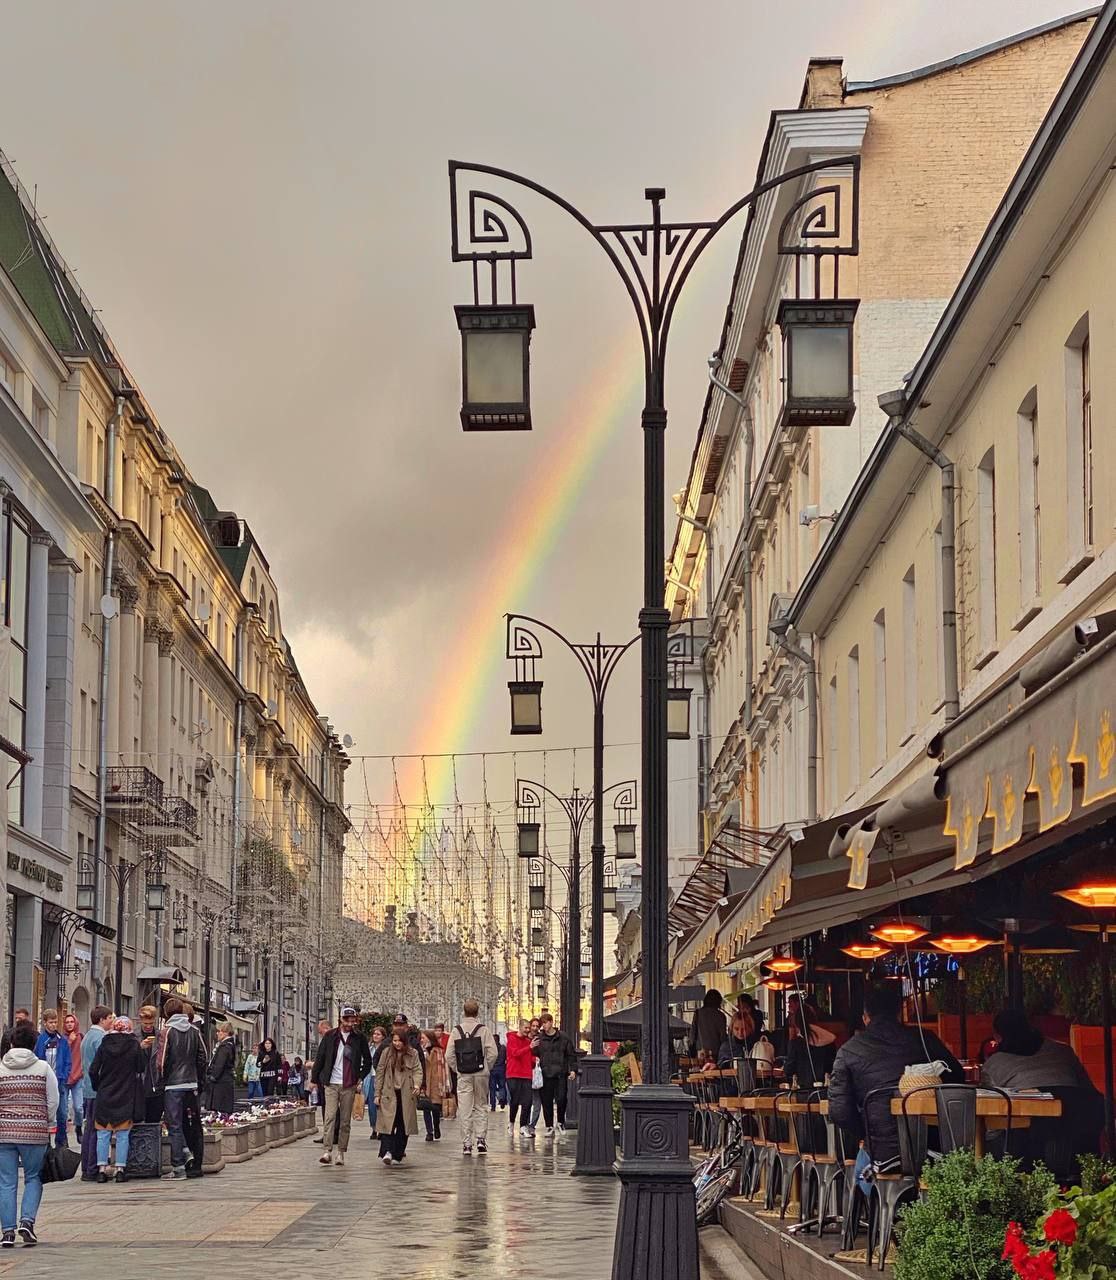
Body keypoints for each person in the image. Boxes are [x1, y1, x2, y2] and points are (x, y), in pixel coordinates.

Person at [829, 982, 962, 1168]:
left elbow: (839, 1112)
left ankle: (868, 1196)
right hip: (933, 1151)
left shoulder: (848, 1050)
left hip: (882, 1156)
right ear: (900, 1014)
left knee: (858, 1175)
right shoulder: (925, 1039)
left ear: (865, 1018)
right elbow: (957, 1080)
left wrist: (868, 1135)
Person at [0, 1021, 58, 1246]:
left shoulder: (1, 1068)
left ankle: (7, 1232)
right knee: (33, 1177)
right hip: (34, 1132)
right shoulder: (43, 1068)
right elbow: (52, 1100)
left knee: (6, 1182)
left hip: (4, 1133)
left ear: (12, 1043)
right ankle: (27, 1222)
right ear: (34, 1045)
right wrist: (48, 1121)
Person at [153, 996, 208, 1180]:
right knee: (190, 1123)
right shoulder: (194, 1030)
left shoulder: (166, 1032)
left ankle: (178, 1166)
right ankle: (188, 1152)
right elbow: (203, 1056)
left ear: (167, 1013)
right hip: (191, 1084)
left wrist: (161, 1081)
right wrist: (197, 1077)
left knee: (174, 1124)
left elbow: (161, 1062)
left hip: (173, 1085)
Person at [311, 1006, 372, 1168]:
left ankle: (341, 1152)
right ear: (340, 1020)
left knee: (345, 1121)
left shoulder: (359, 1038)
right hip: (331, 1082)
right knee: (330, 1117)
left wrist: (359, 1077)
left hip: (348, 1084)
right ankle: (327, 1151)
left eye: (353, 1021)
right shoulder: (331, 1036)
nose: (350, 1024)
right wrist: (314, 1079)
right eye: (347, 1020)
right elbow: (320, 1057)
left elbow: (368, 1060)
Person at [89, 1016, 144, 1183]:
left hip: (105, 1093)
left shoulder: (105, 1044)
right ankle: (120, 1169)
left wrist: (98, 1086)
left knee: (103, 1134)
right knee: (122, 1134)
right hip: (126, 1093)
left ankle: (101, 1170)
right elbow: (141, 1067)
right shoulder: (133, 1044)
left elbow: (93, 1070)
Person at [445, 999, 498, 1156]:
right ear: (477, 1012)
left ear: (464, 1012)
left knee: (465, 1108)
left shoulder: (456, 1031)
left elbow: (449, 1055)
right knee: (481, 1105)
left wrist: (458, 1068)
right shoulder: (484, 1030)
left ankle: (467, 1143)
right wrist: (486, 1066)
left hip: (464, 1074)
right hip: (481, 1074)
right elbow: (493, 1053)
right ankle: (481, 1139)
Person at [374, 1029, 423, 1166]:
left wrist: (417, 1085)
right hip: (389, 1093)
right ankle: (387, 1151)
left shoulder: (413, 1054)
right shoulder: (386, 1053)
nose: (397, 1044)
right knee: (388, 1123)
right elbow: (380, 1072)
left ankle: (398, 1153)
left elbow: (417, 1070)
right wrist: (377, 1093)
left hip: (406, 1094)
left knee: (403, 1124)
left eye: (399, 1041)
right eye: (394, 1041)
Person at [80, 1006, 114, 1181]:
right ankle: (92, 1168)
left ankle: (87, 1165)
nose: (112, 1021)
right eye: (110, 1018)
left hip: (87, 1089)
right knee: (96, 1130)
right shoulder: (100, 1038)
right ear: (102, 1020)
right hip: (97, 1089)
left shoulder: (87, 1036)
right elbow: (104, 1064)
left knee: (89, 1130)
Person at [531, 1012, 576, 1136]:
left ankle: (560, 1122)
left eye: (545, 1023)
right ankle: (549, 1126)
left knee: (562, 1098)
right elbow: (533, 1054)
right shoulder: (540, 1038)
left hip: (560, 1073)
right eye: (542, 1024)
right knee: (546, 1101)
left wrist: (573, 1070)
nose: (543, 1026)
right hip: (545, 1074)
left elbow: (571, 1055)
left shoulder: (564, 1038)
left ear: (551, 1022)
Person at [34, 1011, 71, 1148]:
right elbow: (37, 1057)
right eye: (51, 1022)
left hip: (60, 1080)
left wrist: (65, 1075)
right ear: (45, 1023)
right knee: (45, 1113)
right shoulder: (41, 1040)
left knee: (62, 1113)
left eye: (55, 1022)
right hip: (45, 1081)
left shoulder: (62, 1040)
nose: (53, 1025)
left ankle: (61, 1141)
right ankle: (46, 1141)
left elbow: (68, 1060)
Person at [782, 997, 838, 1088]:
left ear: (796, 1022)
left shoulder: (796, 1043)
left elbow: (789, 1069)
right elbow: (833, 1066)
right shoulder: (829, 1041)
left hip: (803, 1091)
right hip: (825, 1089)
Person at [505, 1019, 535, 1137]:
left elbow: (529, 1056)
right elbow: (515, 1053)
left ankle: (523, 1126)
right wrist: (529, 1047)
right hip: (513, 1073)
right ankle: (511, 1122)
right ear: (520, 1027)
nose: (528, 1030)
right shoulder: (512, 1039)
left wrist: (534, 1060)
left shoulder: (528, 1041)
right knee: (515, 1100)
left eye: (529, 1028)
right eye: (526, 1028)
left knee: (528, 1101)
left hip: (526, 1074)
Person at [418, 1030, 447, 1142]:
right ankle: (429, 1132)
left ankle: (436, 1127)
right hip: (424, 1082)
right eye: (421, 1038)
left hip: (436, 1083)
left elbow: (444, 1068)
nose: (421, 1040)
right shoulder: (420, 1052)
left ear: (430, 1039)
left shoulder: (438, 1051)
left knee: (435, 1108)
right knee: (425, 1107)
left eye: (423, 1038)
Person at [136, 1005, 163, 1124]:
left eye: (151, 1023)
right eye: (145, 1023)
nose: (148, 1026)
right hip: (139, 1084)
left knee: (154, 1121)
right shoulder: (134, 1035)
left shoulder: (160, 1035)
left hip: (156, 1084)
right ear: (141, 1020)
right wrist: (139, 1047)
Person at [62, 1013, 84, 1142]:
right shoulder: (61, 1039)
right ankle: (63, 1135)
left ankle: (79, 1126)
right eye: (67, 1022)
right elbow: (62, 1055)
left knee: (78, 1107)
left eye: (72, 1022)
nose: (69, 1024)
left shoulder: (81, 1037)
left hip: (78, 1076)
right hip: (65, 1077)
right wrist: (69, 1041)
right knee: (64, 1110)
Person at [207, 1023, 237, 1115]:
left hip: (221, 1082)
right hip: (225, 1080)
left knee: (220, 1108)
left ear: (225, 1033)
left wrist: (213, 1076)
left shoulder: (225, 1046)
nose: (217, 1033)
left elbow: (220, 1063)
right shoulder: (229, 1045)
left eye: (219, 1031)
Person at [690, 990, 728, 1060]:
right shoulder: (721, 1016)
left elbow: (692, 1033)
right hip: (716, 1052)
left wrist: (692, 1046)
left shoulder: (698, 1013)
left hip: (700, 1052)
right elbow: (723, 1037)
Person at [488, 1033, 508, 1112]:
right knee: (502, 1086)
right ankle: (502, 1100)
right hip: (501, 1069)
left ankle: (493, 1106)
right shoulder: (503, 1048)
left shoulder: (490, 1049)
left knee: (492, 1088)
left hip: (492, 1070)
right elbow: (507, 1058)